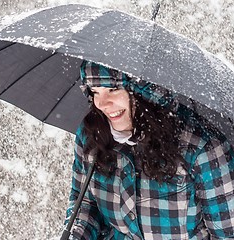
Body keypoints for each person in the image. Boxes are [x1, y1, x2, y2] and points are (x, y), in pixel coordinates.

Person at [64, 60, 234, 239]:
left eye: (113, 89)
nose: (103, 104)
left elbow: (227, 235)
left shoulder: (202, 150)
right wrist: (76, 235)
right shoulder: (91, 135)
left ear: (142, 90)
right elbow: (85, 202)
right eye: (95, 92)